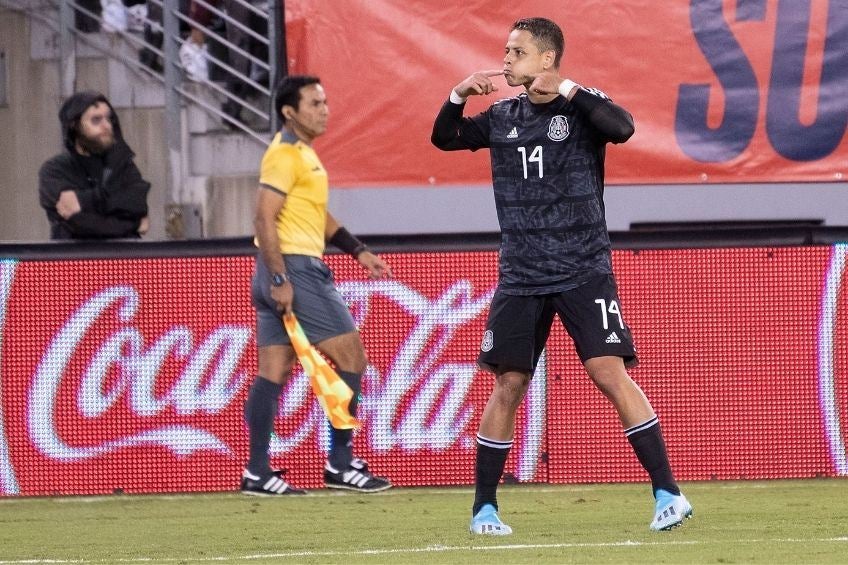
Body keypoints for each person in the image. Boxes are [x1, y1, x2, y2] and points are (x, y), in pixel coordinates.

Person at [431, 17, 693, 534]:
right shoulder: (501, 115)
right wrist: (458, 92)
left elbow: (624, 127)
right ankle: (485, 509)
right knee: (508, 384)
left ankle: (668, 493)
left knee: (608, 371)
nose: (506, 60)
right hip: (521, 275)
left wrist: (570, 89)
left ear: (547, 59)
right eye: (506, 51)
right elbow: (444, 138)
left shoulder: (581, 107)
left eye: (517, 52)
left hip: (581, 269)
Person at [243, 74, 393, 495]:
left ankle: (257, 471)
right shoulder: (285, 155)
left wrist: (357, 250)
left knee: (273, 370)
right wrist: (280, 279)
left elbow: (317, 216)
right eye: (314, 103)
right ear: (290, 111)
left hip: (284, 268)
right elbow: (262, 217)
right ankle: (340, 464)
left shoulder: (303, 155)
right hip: (295, 269)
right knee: (352, 357)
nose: (324, 109)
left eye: (325, 101)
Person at [39, 91, 150, 240]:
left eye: (109, 119)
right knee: (9, 263)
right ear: (74, 125)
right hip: (75, 260)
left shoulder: (122, 164)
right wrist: (133, 225)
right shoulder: (55, 170)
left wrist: (82, 201)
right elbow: (77, 223)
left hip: (124, 259)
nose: (106, 126)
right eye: (96, 120)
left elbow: (137, 203)